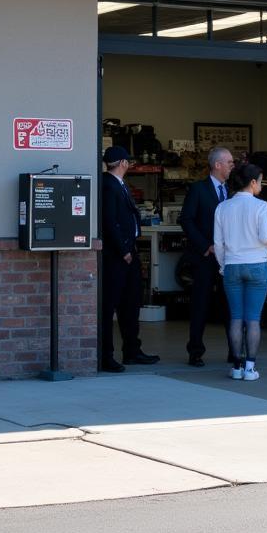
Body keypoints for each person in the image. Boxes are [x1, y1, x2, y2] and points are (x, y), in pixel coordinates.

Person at [214, 162, 267, 381]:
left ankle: (236, 366)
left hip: (232, 265)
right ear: (253, 182)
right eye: (260, 181)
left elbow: (218, 243)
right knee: (252, 319)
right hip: (257, 266)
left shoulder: (222, 207)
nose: (261, 185)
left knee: (235, 318)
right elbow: (264, 237)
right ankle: (250, 367)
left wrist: (224, 266)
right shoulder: (261, 206)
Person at [100, 145, 160, 372]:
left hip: (128, 252)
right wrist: (123, 249)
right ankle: (106, 355)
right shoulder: (109, 185)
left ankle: (132, 350)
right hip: (117, 255)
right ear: (123, 163)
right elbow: (109, 220)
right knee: (110, 305)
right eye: (128, 161)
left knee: (131, 303)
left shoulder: (119, 185)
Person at [178, 146, 235, 366]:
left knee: (230, 304)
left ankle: (234, 350)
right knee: (200, 304)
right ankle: (195, 351)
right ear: (217, 164)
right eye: (229, 162)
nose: (232, 166)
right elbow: (187, 220)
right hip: (204, 256)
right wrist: (205, 245)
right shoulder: (198, 189)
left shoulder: (231, 191)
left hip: (228, 256)